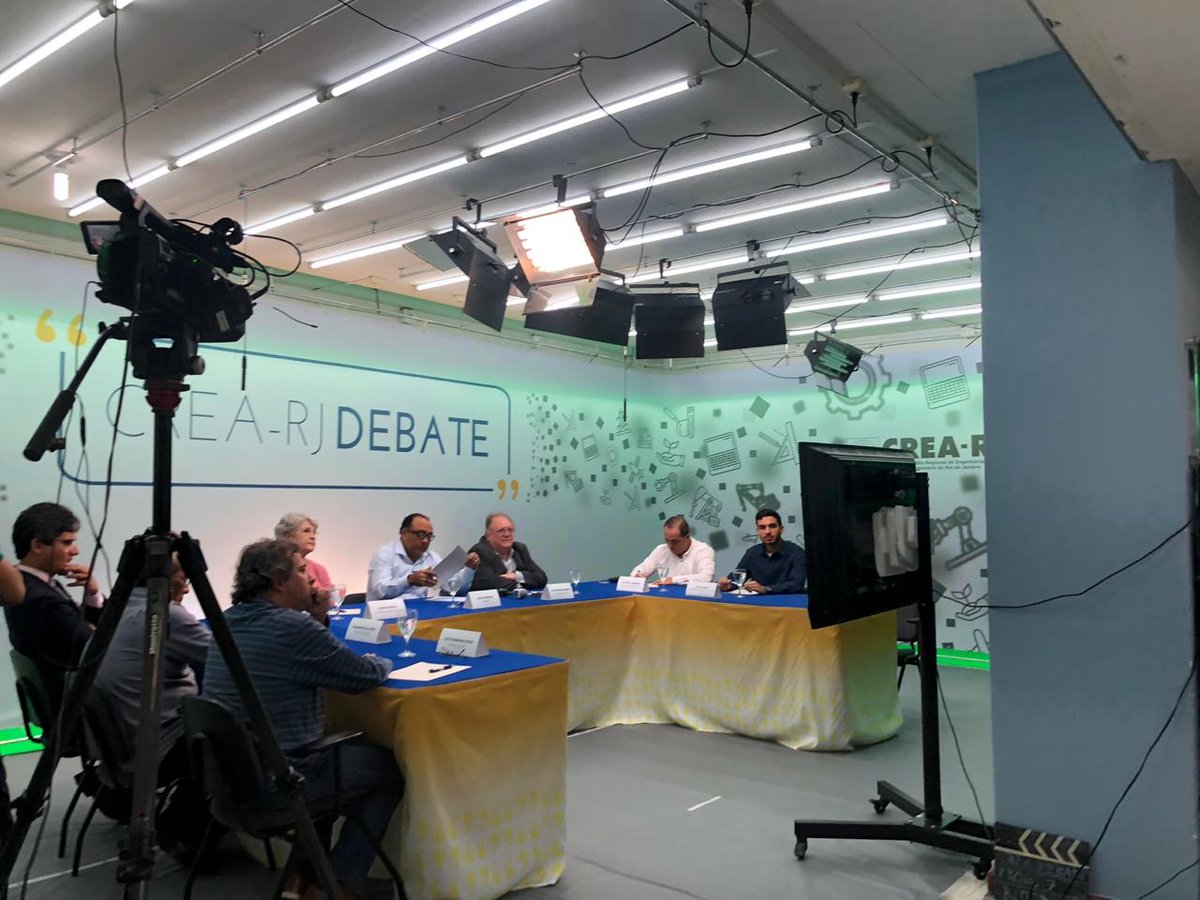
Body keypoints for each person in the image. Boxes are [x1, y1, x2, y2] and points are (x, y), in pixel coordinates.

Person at [203, 539, 402, 899]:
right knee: (388, 768)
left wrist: (316, 619)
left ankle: (300, 875)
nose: (310, 579)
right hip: (281, 780)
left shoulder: (224, 623)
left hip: (229, 782)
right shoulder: (292, 629)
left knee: (337, 760)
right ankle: (342, 882)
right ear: (279, 581)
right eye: (300, 571)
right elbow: (362, 676)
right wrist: (383, 660)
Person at [92, 552, 211, 857]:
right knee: (234, 732)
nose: (187, 588)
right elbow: (228, 662)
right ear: (173, 581)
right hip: (158, 745)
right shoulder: (165, 614)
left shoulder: (117, 608)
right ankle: (182, 822)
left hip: (122, 745)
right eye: (185, 579)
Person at [6, 502, 104, 710]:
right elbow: (96, 649)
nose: (75, 551)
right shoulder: (40, 599)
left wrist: (92, 594)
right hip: (80, 706)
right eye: (67, 543)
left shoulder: (30, 582)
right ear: (37, 546)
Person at [366, 513, 479, 602]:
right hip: (384, 615)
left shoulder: (432, 557)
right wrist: (409, 580)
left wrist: (469, 568)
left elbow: (453, 589)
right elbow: (380, 591)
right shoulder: (384, 554)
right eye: (420, 535)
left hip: (420, 613)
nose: (425, 541)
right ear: (403, 532)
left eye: (429, 536)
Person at [718, 508, 807, 594]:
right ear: (758, 531)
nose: (767, 531)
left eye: (772, 526)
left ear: (781, 529)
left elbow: (797, 584)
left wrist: (766, 589)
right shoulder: (752, 552)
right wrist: (728, 585)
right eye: (762, 527)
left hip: (787, 604)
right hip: (758, 604)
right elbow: (737, 577)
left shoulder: (797, 553)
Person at [468, 513, 547, 593]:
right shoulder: (479, 551)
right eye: (501, 530)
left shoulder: (519, 549)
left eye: (510, 530)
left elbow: (541, 578)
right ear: (488, 535)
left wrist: (516, 576)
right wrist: (523, 584)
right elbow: (490, 583)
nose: (507, 534)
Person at [631, 515, 716, 585]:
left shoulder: (703, 550)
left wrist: (673, 580)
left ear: (687, 537)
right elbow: (643, 567)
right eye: (667, 540)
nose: (670, 545)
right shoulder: (661, 550)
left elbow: (706, 577)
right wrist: (638, 575)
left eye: (675, 541)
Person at [275, 513, 333, 591]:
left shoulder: (319, 569)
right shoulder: (274, 567)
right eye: (306, 531)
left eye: (314, 532)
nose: (313, 537)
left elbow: (332, 600)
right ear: (287, 536)